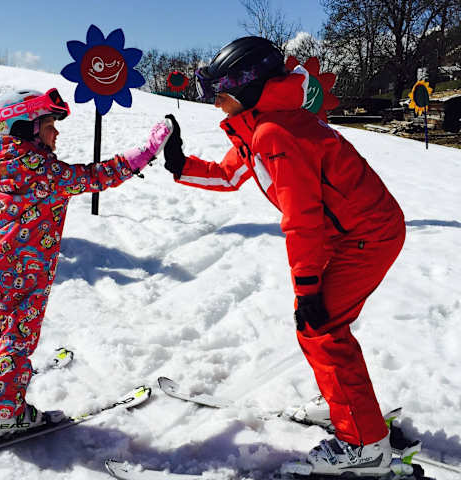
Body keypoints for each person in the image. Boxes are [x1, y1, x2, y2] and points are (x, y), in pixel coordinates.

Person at [161, 36, 406, 477]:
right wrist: (181, 164)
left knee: (322, 328)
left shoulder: (275, 132)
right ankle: (344, 405)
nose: (215, 103)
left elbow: (302, 216)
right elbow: (229, 174)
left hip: (366, 235)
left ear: (249, 87)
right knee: (318, 327)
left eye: (221, 92)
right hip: (347, 232)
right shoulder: (262, 125)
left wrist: (308, 287)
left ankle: (365, 445)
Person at [0, 87, 172, 440]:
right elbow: (95, 176)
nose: (56, 133)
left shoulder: (7, 164)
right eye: (48, 125)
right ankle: (3, 413)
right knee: (17, 335)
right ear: (23, 128)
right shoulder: (42, 169)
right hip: (25, 269)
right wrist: (144, 153)